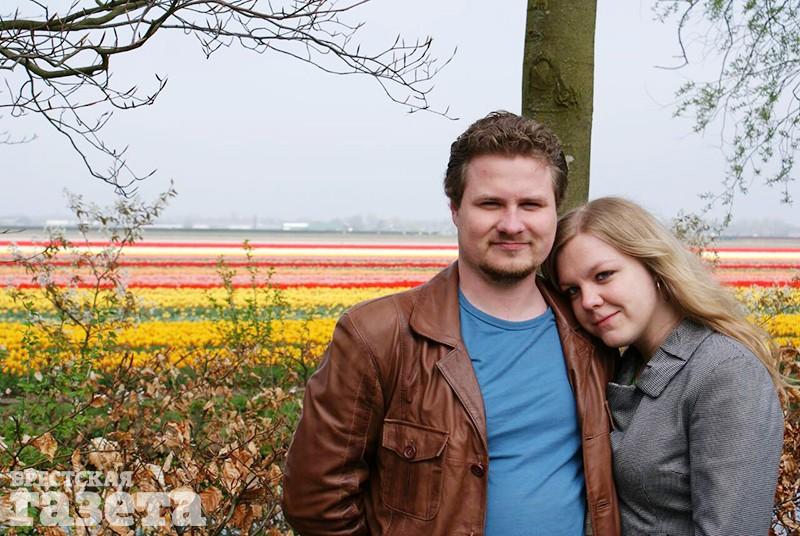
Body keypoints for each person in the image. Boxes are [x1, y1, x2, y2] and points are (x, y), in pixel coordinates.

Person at [281, 111, 621, 535]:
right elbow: (315, 501)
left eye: (531, 205)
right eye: (490, 204)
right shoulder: (378, 336)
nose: (512, 224)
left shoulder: (592, 330)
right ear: (456, 209)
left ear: (555, 211)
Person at [543, 196, 784, 535]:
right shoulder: (620, 367)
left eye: (604, 275)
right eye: (572, 290)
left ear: (654, 266)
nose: (589, 301)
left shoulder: (725, 372)